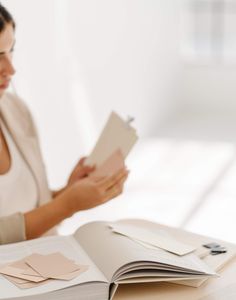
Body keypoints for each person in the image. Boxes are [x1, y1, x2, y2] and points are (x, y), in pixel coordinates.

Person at [0, 3, 129, 245]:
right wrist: (67, 204)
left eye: (11, 51)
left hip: (44, 266)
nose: (11, 69)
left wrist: (69, 192)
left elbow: (33, 210)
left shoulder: (16, 111)